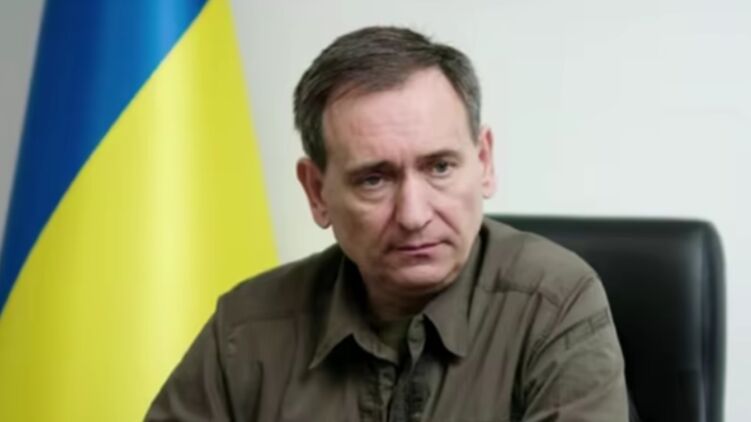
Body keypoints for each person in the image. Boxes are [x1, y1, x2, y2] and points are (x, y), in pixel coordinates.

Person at [146, 26, 628, 421]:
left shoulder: (554, 304)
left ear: (483, 161)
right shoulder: (247, 328)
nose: (414, 215)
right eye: (374, 179)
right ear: (316, 192)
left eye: (440, 167)